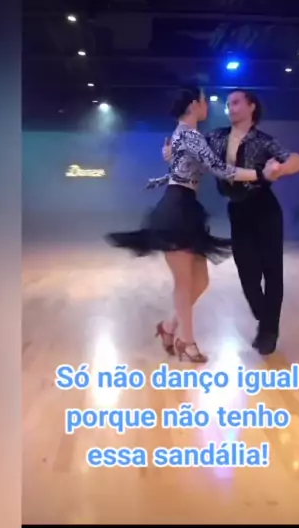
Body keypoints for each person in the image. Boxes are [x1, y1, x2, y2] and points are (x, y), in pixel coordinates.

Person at [105, 86, 276, 363]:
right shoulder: (190, 135)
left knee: (201, 281)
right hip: (177, 209)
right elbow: (220, 169)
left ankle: (169, 326)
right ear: (195, 104)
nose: (207, 105)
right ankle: (188, 342)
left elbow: (184, 169)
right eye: (205, 100)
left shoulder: (183, 134)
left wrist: (162, 176)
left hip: (186, 207)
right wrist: (260, 174)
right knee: (184, 284)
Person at [161, 90, 299, 355]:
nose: (230, 107)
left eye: (236, 102)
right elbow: (190, 149)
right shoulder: (215, 137)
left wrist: (282, 169)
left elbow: (298, 160)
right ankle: (266, 319)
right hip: (238, 210)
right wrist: (171, 151)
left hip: (265, 208)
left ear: (252, 107)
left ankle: (268, 331)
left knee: (272, 271)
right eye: (228, 104)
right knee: (248, 274)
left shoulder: (264, 141)